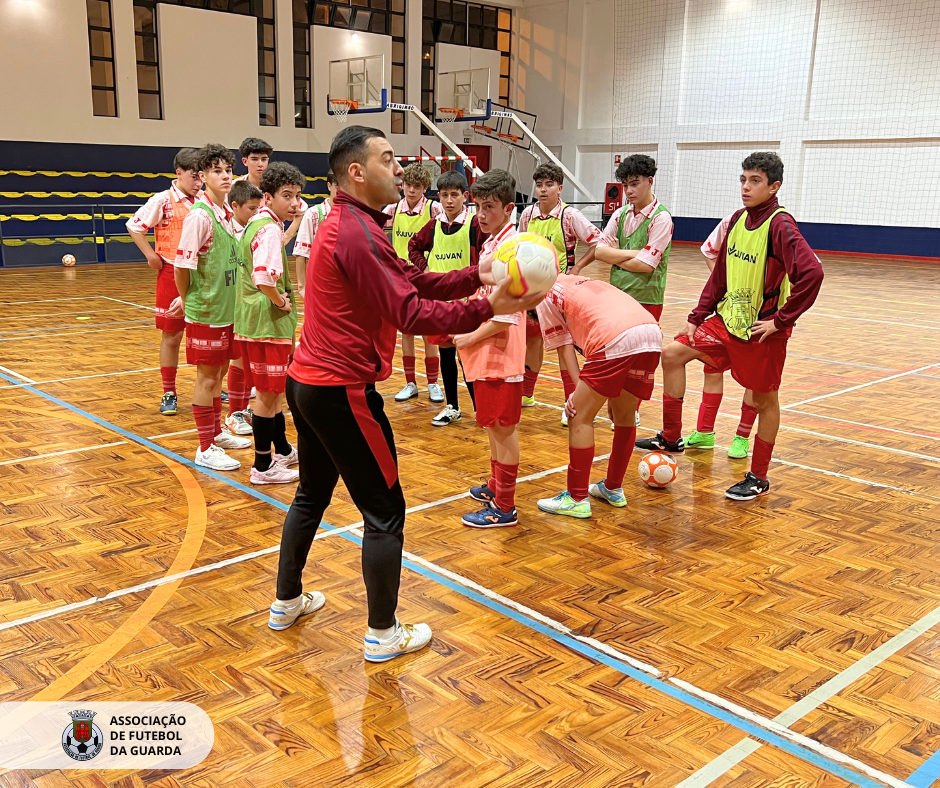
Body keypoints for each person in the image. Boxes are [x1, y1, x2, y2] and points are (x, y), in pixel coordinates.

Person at [268, 126, 542, 662]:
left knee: (311, 495)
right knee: (386, 511)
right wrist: (494, 303)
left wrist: (476, 276)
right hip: (340, 390)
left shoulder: (356, 223)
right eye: (389, 160)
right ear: (356, 171)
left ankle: (286, 601)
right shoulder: (356, 231)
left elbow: (410, 280)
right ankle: (382, 633)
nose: (400, 170)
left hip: (308, 383)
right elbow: (411, 313)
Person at [635, 152, 824, 500]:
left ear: (774, 186)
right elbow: (720, 275)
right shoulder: (737, 219)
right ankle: (672, 437)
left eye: (755, 181)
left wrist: (781, 320)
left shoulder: (781, 225)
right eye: (743, 179)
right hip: (725, 323)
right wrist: (696, 316)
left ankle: (758, 476)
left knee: (765, 401)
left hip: (759, 332)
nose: (746, 187)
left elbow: (812, 274)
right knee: (672, 353)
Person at [535, 274, 663, 518]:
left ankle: (576, 497)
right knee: (624, 415)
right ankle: (613, 487)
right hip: (651, 332)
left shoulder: (544, 295)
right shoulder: (574, 278)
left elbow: (564, 349)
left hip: (614, 335)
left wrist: (575, 392)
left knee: (578, 416)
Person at [174, 143, 253, 471]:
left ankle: (216, 432)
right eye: (217, 171)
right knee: (207, 379)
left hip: (228, 311)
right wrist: (187, 299)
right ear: (202, 176)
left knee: (219, 372)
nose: (224, 176)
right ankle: (205, 447)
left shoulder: (225, 213)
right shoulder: (199, 216)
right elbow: (182, 265)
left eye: (228, 170)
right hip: (207, 311)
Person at [456, 170, 526, 529]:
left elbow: (508, 318)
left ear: (508, 208)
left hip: (500, 355)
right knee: (492, 427)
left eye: (489, 207)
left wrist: (466, 338)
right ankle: (497, 486)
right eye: (477, 206)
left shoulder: (512, 251)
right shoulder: (491, 243)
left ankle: (505, 507)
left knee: (503, 429)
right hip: (485, 355)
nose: (480, 214)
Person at [234, 162, 304, 485]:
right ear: (267, 196)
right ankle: (262, 466)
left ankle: (283, 448)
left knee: (272, 393)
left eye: (297, 196)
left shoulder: (257, 222)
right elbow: (263, 276)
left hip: (253, 321)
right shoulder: (270, 228)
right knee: (266, 394)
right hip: (267, 321)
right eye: (286, 195)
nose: (294, 203)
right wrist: (281, 301)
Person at [593, 155, 673, 428]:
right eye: (626, 185)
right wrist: (632, 253)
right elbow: (599, 251)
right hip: (618, 298)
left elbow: (646, 265)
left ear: (650, 181)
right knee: (615, 354)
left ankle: (632, 409)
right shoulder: (620, 213)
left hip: (647, 300)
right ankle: (617, 404)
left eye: (635, 184)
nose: (629, 191)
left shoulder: (661, 219)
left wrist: (616, 256)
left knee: (641, 361)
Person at [518, 163, 602, 412]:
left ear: (560, 188)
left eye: (549, 185)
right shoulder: (527, 215)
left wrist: (578, 268)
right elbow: (520, 245)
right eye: (539, 185)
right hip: (533, 290)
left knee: (564, 346)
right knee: (532, 341)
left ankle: (571, 401)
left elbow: (599, 242)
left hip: (561, 290)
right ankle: (526, 394)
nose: (543, 190)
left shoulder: (570, 216)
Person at [126, 148, 202, 416]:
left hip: (204, 275)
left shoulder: (206, 200)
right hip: (172, 271)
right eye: (194, 176)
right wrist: (150, 255)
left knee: (207, 334)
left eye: (202, 176)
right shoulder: (162, 200)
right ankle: (169, 391)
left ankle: (211, 386)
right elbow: (134, 225)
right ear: (178, 173)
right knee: (172, 335)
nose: (199, 182)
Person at [407, 170, 486, 427]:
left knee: (469, 358)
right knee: (446, 355)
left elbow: (488, 254)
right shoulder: (434, 225)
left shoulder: (474, 224)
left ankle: (479, 408)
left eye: (454, 195)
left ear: (465, 196)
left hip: (468, 303)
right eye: (444, 195)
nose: (449, 200)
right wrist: (426, 271)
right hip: (442, 303)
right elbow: (413, 247)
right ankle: (452, 406)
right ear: (438, 197)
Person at [684, 211, 757, 459]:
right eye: (744, 180)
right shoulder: (731, 221)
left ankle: (742, 437)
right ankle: (705, 432)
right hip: (725, 313)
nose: (746, 187)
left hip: (756, 319)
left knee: (753, 381)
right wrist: (725, 281)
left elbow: (810, 269)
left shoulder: (776, 227)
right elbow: (708, 250)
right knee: (711, 367)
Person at [384, 163, 445, 404]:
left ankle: (433, 383)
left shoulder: (434, 209)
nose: (411, 190)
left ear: (425, 188)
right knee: (406, 331)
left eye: (416, 186)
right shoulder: (392, 208)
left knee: (430, 332)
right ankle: (411, 382)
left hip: (425, 275)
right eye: (407, 185)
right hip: (400, 278)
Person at [293, 171, 338, 301]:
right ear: (329, 186)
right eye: (338, 187)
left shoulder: (353, 214)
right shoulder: (313, 214)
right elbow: (301, 253)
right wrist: (302, 287)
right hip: (319, 286)